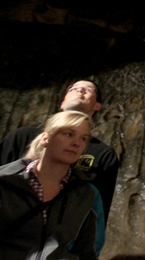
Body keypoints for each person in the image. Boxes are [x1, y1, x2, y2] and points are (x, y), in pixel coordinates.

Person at [0, 79, 119, 223]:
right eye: (73, 88)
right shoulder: (22, 136)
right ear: (45, 139)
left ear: (97, 106)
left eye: (88, 89)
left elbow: (97, 213)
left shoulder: (103, 154)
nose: (80, 90)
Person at [0, 110, 105, 259]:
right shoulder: (5, 181)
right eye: (69, 134)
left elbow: (86, 250)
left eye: (83, 139)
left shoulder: (84, 193)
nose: (76, 143)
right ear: (46, 138)